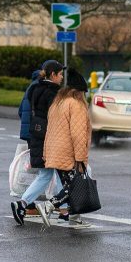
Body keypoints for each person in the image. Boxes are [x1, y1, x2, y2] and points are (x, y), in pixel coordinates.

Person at [10, 60, 64, 226]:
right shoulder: (53, 93)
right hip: (49, 138)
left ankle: (62, 208)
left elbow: (23, 111)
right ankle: (63, 208)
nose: (62, 77)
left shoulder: (34, 88)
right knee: (54, 172)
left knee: (49, 173)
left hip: (36, 135)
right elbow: (56, 119)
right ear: (53, 74)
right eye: (60, 74)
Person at [42, 68, 93, 229]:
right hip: (68, 153)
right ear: (79, 92)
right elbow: (78, 135)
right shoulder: (76, 105)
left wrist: (45, 153)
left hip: (54, 151)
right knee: (72, 187)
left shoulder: (58, 102)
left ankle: (74, 217)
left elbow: (49, 129)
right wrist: (80, 158)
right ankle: (49, 205)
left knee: (70, 185)